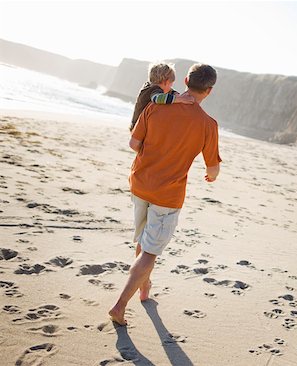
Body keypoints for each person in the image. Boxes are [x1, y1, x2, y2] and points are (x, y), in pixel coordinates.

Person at [109, 63, 222, 326]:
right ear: (210, 90)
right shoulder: (208, 124)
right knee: (150, 251)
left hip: (139, 183)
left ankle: (144, 288)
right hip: (167, 195)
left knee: (144, 238)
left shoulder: (156, 105)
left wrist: (154, 156)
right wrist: (210, 176)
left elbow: (135, 144)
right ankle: (119, 305)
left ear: (185, 80)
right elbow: (213, 170)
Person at [129, 61, 195, 132]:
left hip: (136, 124)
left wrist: (175, 93)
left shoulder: (149, 86)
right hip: (138, 127)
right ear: (166, 82)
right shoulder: (155, 91)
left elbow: (169, 90)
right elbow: (158, 98)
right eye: (171, 84)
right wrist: (180, 99)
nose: (171, 87)